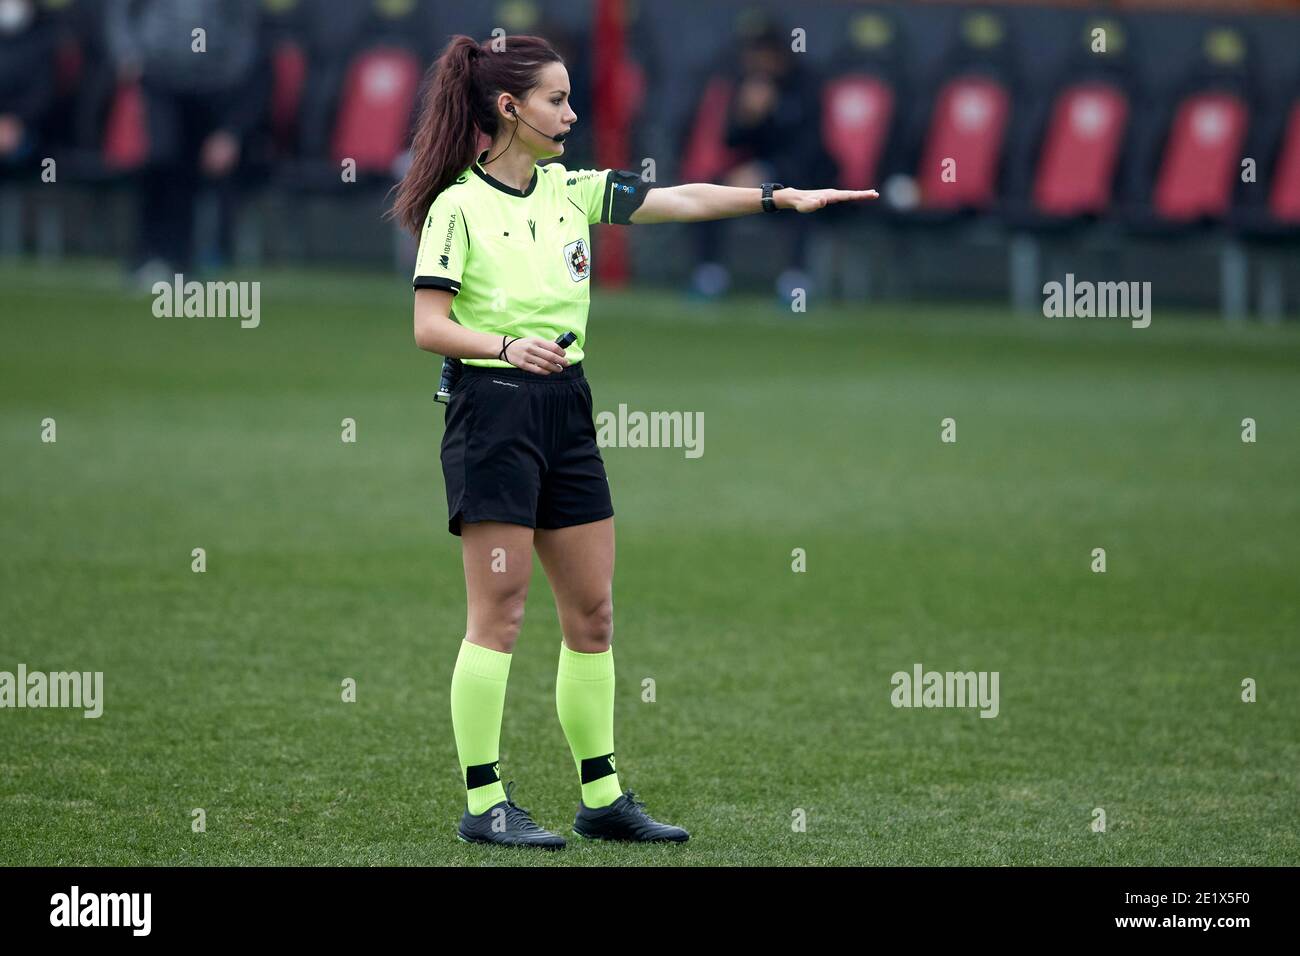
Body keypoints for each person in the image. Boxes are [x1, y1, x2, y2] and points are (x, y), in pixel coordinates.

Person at [391, 33, 876, 848]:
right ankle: (485, 804)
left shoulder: (572, 191)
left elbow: (675, 200)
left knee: (594, 614)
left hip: (567, 413)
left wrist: (776, 198)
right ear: (508, 109)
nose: (572, 113)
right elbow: (428, 325)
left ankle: (603, 796)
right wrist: (505, 347)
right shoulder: (457, 207)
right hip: (494, 415)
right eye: (556, 99)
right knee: (499, 615)